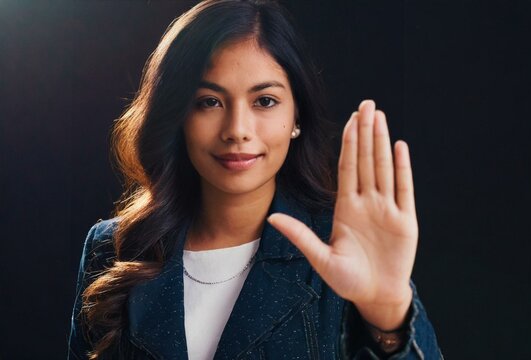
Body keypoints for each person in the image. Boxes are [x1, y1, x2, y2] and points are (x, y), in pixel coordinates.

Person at [67, 0, 442, 359]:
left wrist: (389, 311)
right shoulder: (113, 249)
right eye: (209, 101)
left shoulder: (341, 247)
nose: (237, 130)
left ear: (297, 117)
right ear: (178, 114)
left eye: (264, 101)